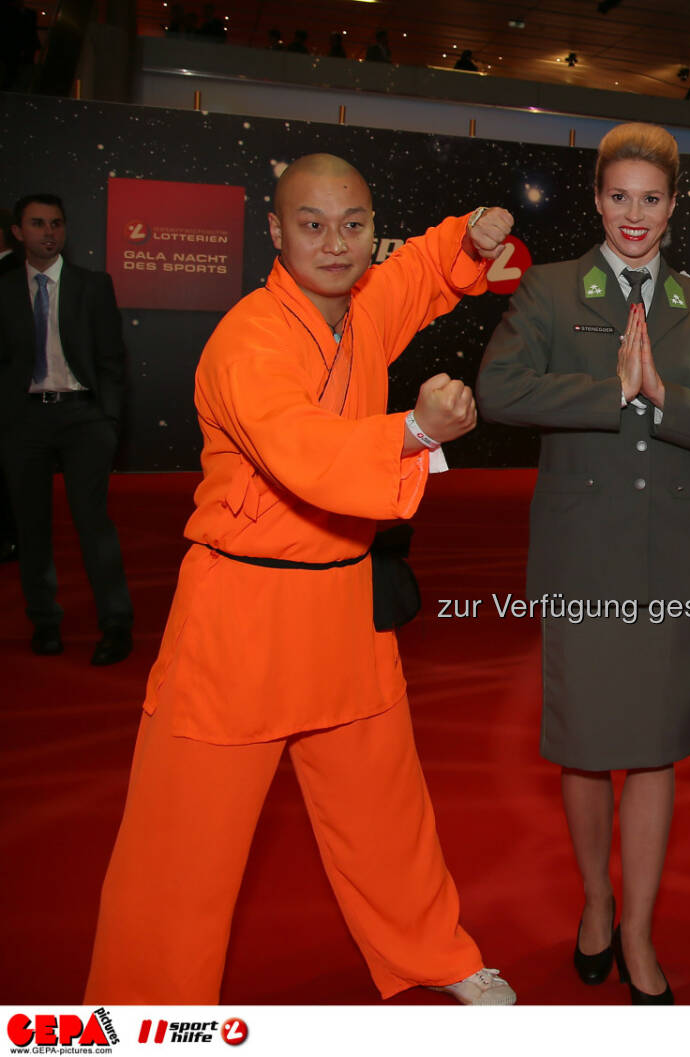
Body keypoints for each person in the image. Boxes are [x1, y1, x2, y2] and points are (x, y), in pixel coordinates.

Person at [84, 155, 519, 1006]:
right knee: (184, 840)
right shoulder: (249, 339)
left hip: (341, 603)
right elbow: (302, 449)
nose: (336, 242)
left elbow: (418, 274)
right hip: (241, 615)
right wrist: (413, 432)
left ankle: (433, 950)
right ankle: (145, 1013)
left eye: (353, 223)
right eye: (312, 224)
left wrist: (465, 238)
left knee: (385, 806)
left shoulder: (361, 310)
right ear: (276, 232)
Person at [477, 122, 690, 1004]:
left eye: (652, 198)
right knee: (591, 748)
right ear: (598, 200)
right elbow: (499, 390)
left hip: (673, 559)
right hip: (586, 557)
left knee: (658, 750)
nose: (634, 215)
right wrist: (612, 392)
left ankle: (637, 931)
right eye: (619, 196)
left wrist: (667, 397)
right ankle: (596, 901)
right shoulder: (554, 292)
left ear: (673, 206)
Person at [1, 195, 133, 664]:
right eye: (37, 224)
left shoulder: (93, 286)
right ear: (18, 232)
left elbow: (112, 358)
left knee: (93, 523)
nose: (48, 232)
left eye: (56, 223)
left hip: (84, 417)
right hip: (24, 421)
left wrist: (108, 419)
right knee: (31, 527)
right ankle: (45, 621)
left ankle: (116, 624)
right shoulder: (3, 289)